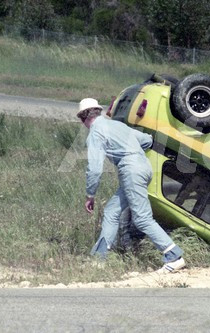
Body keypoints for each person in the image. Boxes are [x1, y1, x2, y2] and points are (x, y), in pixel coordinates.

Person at [77, 98, 185, 273]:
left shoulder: (95, 133)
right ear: (98, 112)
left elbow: (95, 169)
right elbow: (147, 140)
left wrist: (90, 195)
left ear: (83, 118)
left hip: (131, 171)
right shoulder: (116, 126)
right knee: (112, 211)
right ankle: (98, 258)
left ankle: (173, 255)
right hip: (143, 168)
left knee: (142, 218)